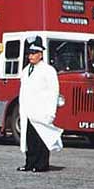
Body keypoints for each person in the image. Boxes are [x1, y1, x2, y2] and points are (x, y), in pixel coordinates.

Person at [17, 36, 63, 173]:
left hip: (42, 111)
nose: (30, 56)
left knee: (42, 138)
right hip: (28, 111)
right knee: (29, 139)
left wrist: (51, 113)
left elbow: (54, 92)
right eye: (29, 53)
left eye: (33, 53)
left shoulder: (48, 70)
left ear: (40, 54)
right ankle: (30, 163)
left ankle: (42, 164)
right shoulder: (26, 71)